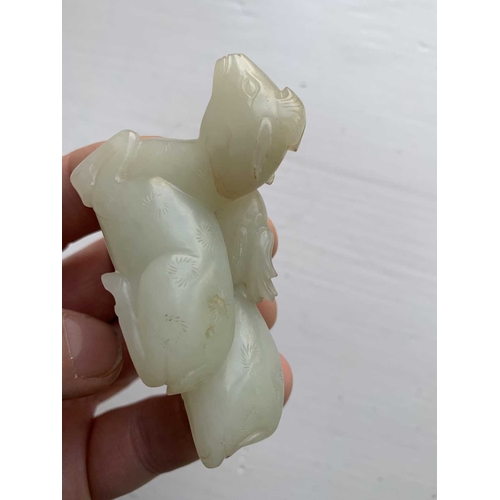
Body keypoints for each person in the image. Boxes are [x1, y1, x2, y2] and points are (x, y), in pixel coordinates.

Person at [62, 142, 293, 499]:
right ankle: (227, 419)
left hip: (216, 311)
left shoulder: (238, 202)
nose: (261, 176)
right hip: (190, 304)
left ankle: (234, 416)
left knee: (229, 352)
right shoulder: (175, 174)